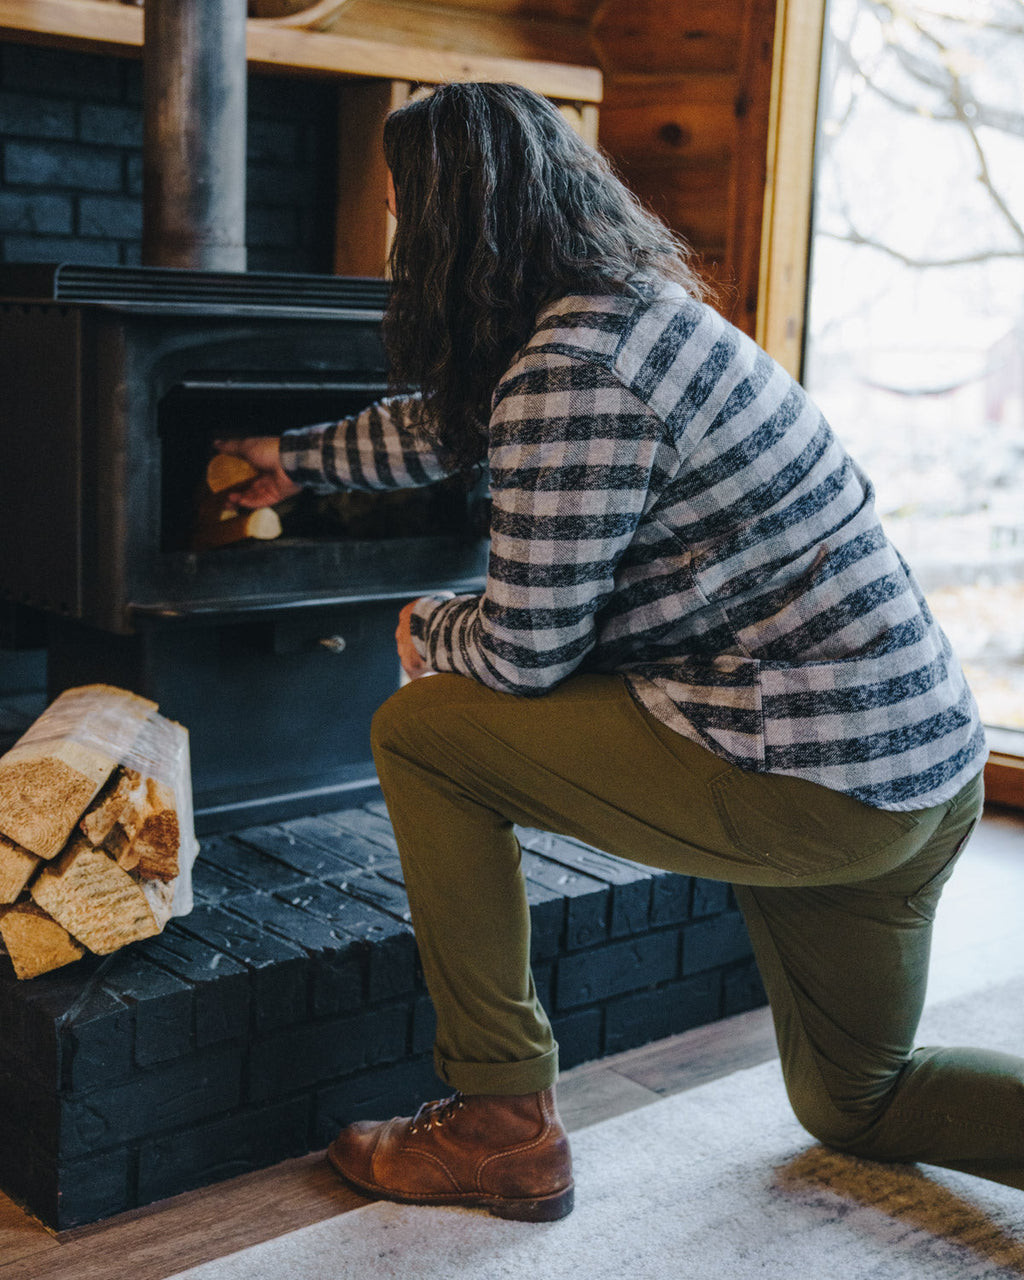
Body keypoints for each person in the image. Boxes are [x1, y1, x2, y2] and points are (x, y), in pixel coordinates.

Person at [214, 82, 1021, 1224]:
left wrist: (425, 630)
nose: (400, 237)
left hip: (814, 781)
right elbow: (455, 425)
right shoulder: (630, 317)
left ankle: (499, 1123)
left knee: (427, 730)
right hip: (921, 777)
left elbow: (520, 655)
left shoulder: (574, 369)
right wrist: (297, 459)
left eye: (405, 211)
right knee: (860, 1101)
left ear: (455, 225)